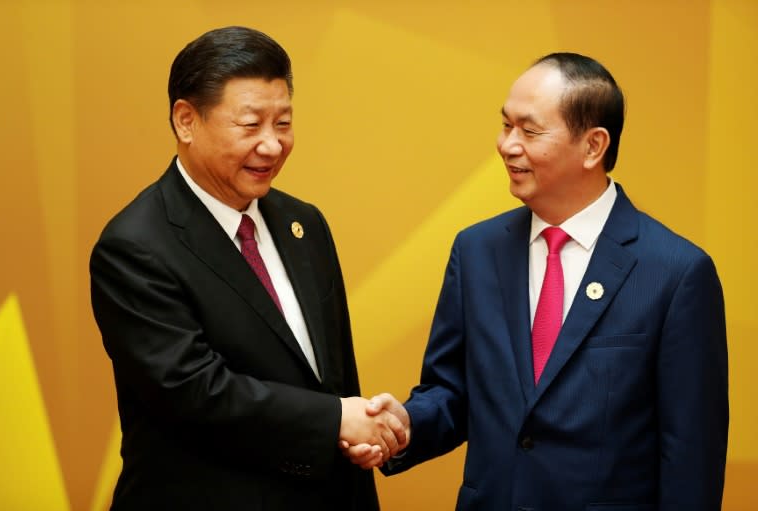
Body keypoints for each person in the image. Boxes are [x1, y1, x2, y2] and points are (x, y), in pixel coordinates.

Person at [350, 52, 729, 509]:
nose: (508, 145)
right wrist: (404, 425)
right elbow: (452, 393)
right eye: (506, 125)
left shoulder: (675, 272)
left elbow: (690, 455)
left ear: (593, 146)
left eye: (529, 131)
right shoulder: (476, 251)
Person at [90, 26, 406, 511]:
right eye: (250, 124)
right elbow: (194, 392)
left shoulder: (304, 223)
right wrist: (333, 420)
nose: (272, 145)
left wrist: (354, 433)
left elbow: (332, 378)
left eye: (283, 123)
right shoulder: (134, 246)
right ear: (186, 120)